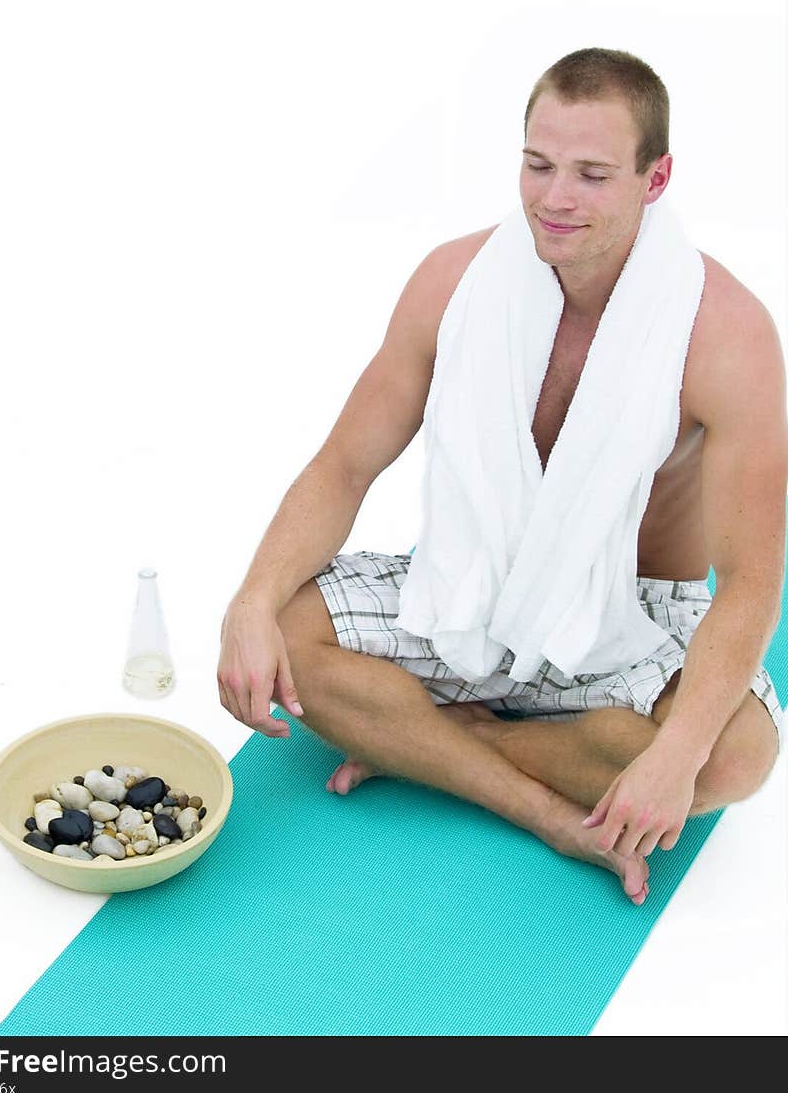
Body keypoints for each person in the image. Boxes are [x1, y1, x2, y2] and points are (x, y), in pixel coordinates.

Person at [217, 47, 787, 905]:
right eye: (538, 164)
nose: (555, 198)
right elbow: (344, 465)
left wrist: (674, 753)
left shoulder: (726, 334)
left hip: (632, 611)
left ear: (656, 177)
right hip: (472, 585)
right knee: (289, 635)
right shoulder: (455, 281)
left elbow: (750, 578)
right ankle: (543, 807)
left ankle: (427, 741)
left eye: (593, 174)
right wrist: (250, 601)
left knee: (737, 752)